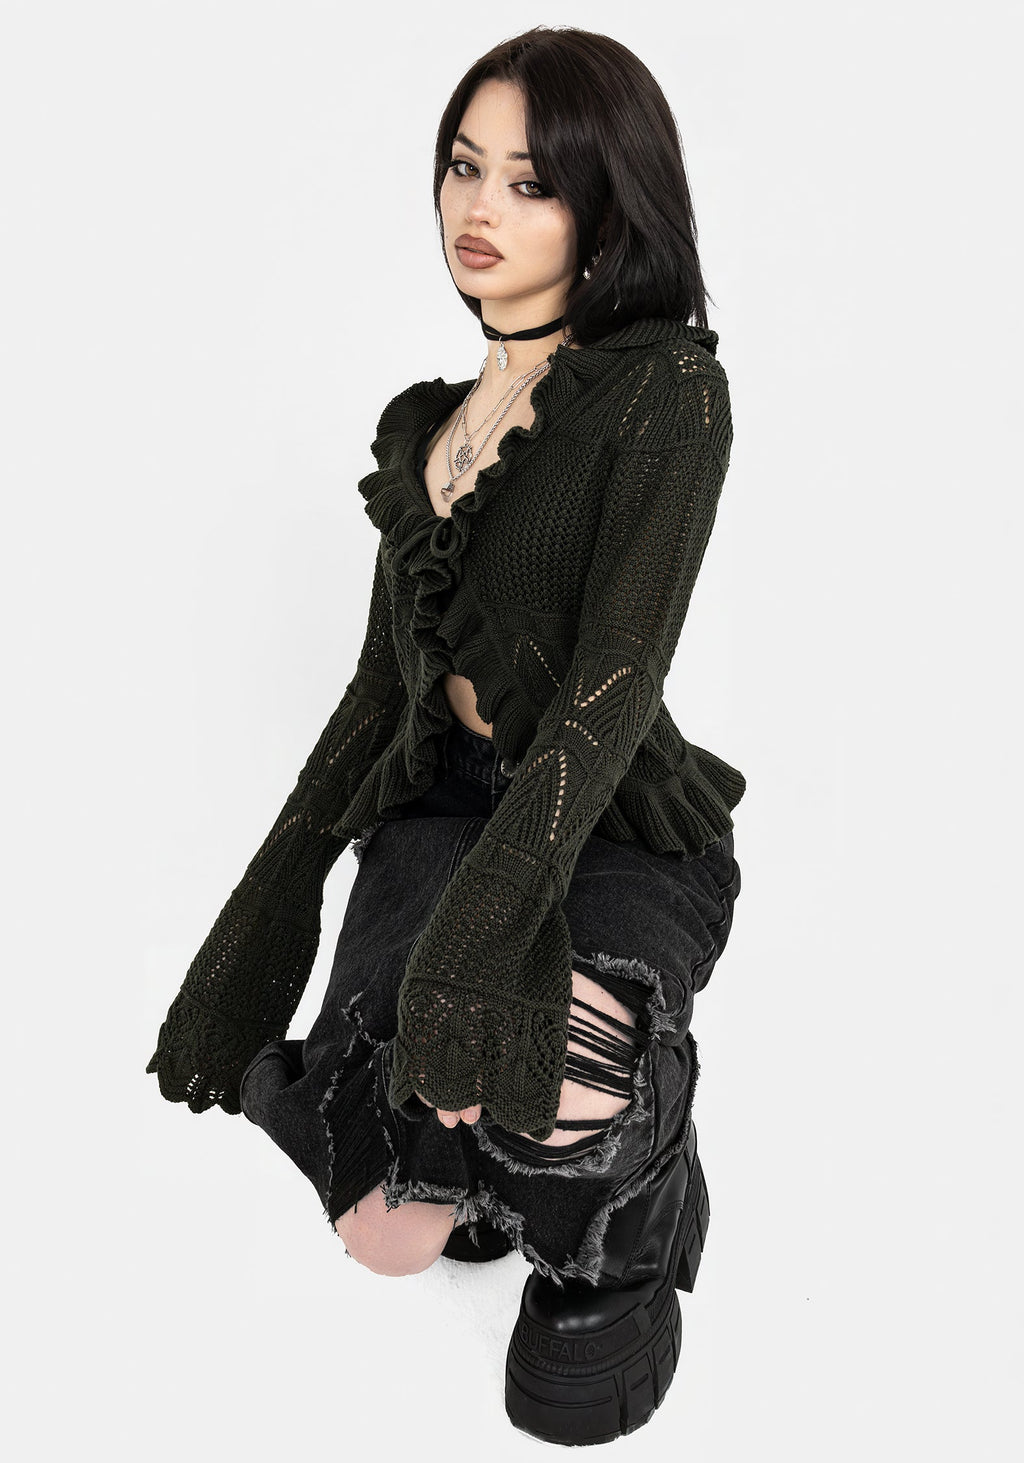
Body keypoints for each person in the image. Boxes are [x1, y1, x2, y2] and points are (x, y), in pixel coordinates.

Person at [146, 24, 745, 1447]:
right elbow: (375, 704)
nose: (480, 209)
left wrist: (485, 937)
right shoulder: (428, 429)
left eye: (531, 183)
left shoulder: (663, 392)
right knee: (386, 1236)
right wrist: (256, 927)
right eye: (463, 168)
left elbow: (608, 691)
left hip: (602, 813)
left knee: (565, 1084)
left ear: (609, 205)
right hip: (444, 818)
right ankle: (481, 1168)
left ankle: (635, 1211)